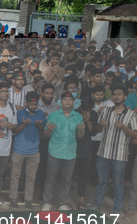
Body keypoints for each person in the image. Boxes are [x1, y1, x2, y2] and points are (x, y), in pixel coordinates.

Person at [84, 84, 137, 213]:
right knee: (101, 182)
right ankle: (97, 205)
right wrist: (100, 126)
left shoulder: (131, 115)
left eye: (119, 94)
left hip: (120, 155)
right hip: (103, 153)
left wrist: (123, 127)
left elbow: (135, 134)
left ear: (125, 96)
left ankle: (116, 210)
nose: (116, 96)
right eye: (114, 94)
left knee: (118, 184)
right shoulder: (106, 111)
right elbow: (97, 131)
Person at [42, 91, 85, 211]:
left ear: (73, 103)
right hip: (55, 151)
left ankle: (63, 203)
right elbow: (46, 134)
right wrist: (49, 130)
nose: (67, 102)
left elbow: (80, 136)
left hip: (70, 152)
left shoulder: (78, 117)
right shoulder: (53, 115)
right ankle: (47, 202)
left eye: (69, 100)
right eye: (65, 100)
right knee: (50, 178)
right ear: (60, 102)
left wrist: (81, 131)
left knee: (67, 180)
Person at [9, 91, 46, 209]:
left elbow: (43, 130)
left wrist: (39, 125)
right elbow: (14, 131)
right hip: (19, 149)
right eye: (31, 104)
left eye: (35, 105)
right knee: (15, 175)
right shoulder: (19, 113)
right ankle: (13, 198)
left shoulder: (40, 113)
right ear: (26, 103)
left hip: (34, 150)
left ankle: (28, 199)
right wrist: (24, 124)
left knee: (31, 176)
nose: (34, 107)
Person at [75, 98, 98, 208]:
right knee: (68, 174)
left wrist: (87, 120)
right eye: (85, 110)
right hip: (73, 147)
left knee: (84, 175)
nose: (87, 112)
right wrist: (82, 120)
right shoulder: (74, 113)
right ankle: (63, 198)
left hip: (86, 147)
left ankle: (82, 198)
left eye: (89, 110)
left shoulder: (93, 114)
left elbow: (93, 132)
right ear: (80, 107)